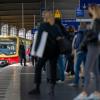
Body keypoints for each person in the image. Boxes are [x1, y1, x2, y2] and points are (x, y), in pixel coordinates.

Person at [29, 11, 62, 95]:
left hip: (46, 50)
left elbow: (39, 38)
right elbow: (60, 37)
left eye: (44, 15)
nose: (43, 16)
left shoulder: (43, 25)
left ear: (45, 17)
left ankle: (37, 88)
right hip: (55, 51)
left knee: (38, 67)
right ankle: (52, 89)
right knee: (53, 69)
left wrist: (35, 50)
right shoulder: (56, 26)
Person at [74, 4, 100, 100]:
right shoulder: (95, 21)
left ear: (93, 9)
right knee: (96, 71)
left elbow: (94, 35)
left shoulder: (96, 21)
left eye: (89, 9)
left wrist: (87, 35)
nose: (88, 11)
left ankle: (84, 93)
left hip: (93, 47)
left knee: (87, 69)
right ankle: (97, 93)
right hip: (94, 47)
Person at [69, 22, 87, 87]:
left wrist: (76, 48)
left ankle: (76, 82)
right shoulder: (87, 33)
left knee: (76, 67)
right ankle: (84, 82)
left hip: (80, 51)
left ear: (80, 26)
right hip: (86, 51)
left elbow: (77, 43)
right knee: (85, 67)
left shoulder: (79, 33)